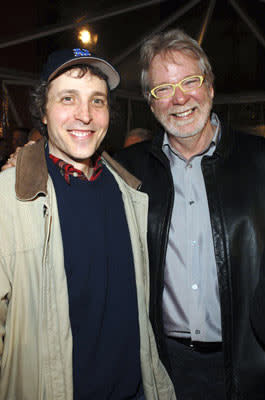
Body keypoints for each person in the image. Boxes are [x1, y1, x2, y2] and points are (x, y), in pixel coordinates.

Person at [0, 48, 175, 400]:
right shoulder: (9, 199)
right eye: (68, 98)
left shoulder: (130, 191)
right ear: (43, 112)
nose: (85, 115)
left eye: (97, 101)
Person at [115, 29, 265, 400]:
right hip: (164, 367)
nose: (179, 98)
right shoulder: (127, 173)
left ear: (211, 87)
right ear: (151, 104)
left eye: (190, 81)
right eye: (162, 89)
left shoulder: (261, 161)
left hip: (251, 366)